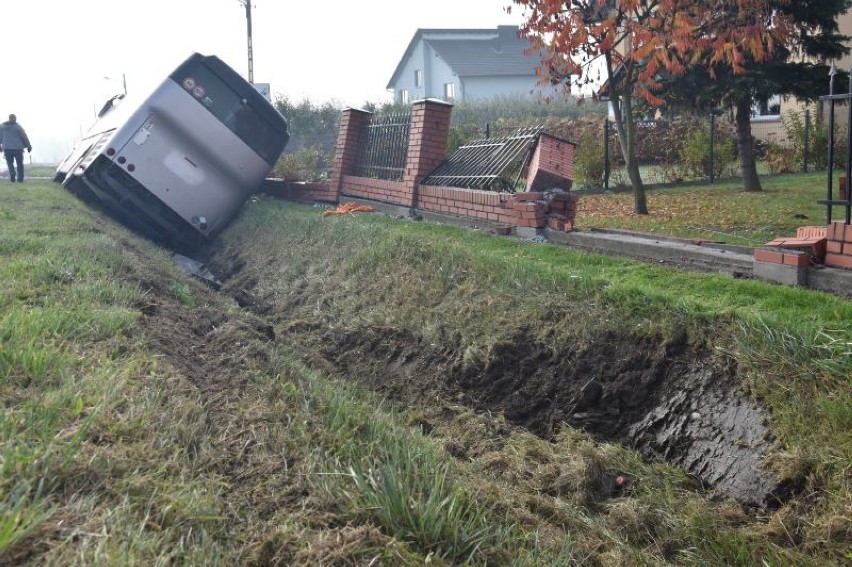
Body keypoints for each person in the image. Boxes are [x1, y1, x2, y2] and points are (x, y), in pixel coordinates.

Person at [0, 114, 32, 182]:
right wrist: (28, 146)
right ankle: (20, 180)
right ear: (14, 119)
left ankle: (12, 172)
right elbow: (24, 137)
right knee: (19, 164)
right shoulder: (18, 127)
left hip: (7, 148)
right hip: (18, 148)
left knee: (9, 162)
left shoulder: (2, 127)